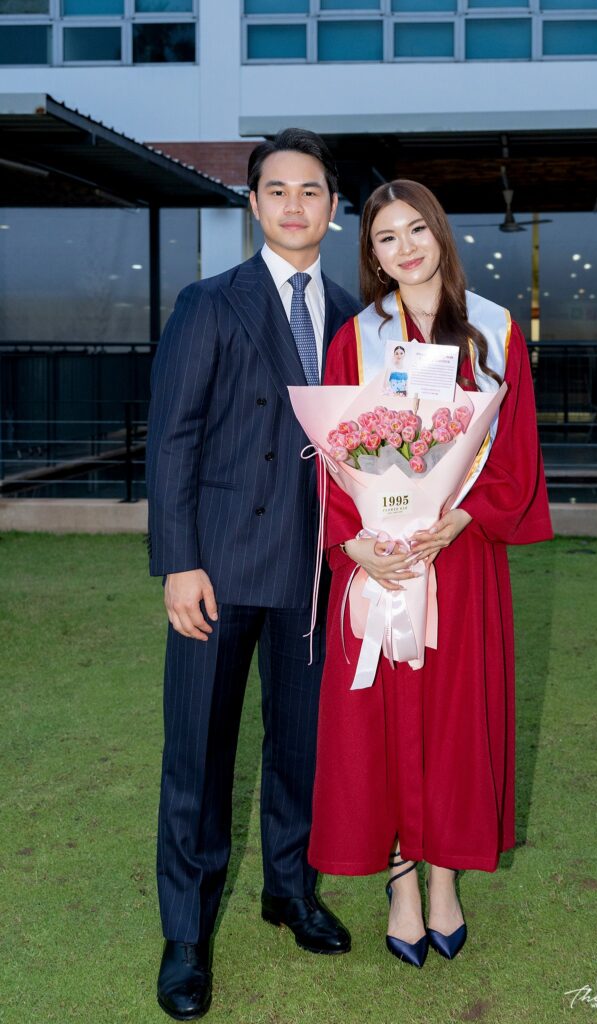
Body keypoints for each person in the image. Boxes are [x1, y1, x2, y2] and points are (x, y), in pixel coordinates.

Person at [307, 180, 552, 968]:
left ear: (439, 234)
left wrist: (461, 517)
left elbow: (514, 449)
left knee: (453, 718)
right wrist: (353, 545)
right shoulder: (356, 339)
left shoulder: (494, 331)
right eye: (386, 237)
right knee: (383, 721)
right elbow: (331, 456)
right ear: (372, 255)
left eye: (416, 229)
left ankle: (444, 874)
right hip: (382, 561)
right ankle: (401, 881)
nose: (405, 247)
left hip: (461, 559)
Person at [146, 128, 361, 1021]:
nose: (293, 205)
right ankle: (185, 934)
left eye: (310, 191)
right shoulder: (210, 302)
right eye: (277, 190)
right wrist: (178, 562)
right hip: (220, 570)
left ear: (333, 207)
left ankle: (289, 891)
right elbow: (173, 439)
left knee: (302, 748)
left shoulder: (353, 315)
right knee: (198, 755)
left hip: (314, 574)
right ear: (254, 203)